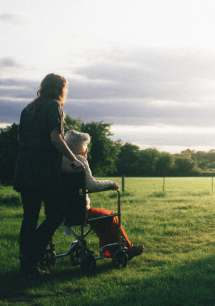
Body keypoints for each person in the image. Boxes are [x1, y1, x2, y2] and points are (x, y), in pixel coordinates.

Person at [13, 74, 83, 276]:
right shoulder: (54, 106)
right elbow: (56, 138)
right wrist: (73, 159)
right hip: (43, 172)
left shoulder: (27, 110)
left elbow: (20, 138)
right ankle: (30, 255)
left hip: (24, 170)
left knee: (30, 218)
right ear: (60, 89)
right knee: (56, 214)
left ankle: (27, 265)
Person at [61, 130, 144, 260]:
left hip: (61, 212)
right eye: (85, 146)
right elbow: (92, 185)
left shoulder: (59, 160)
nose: (87, 150)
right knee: (110, 216)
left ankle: (110, 251)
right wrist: (110, 183)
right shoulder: (79, 161)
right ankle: (127, 249)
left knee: (101, 218)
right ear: (79, 147)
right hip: (78, 211)